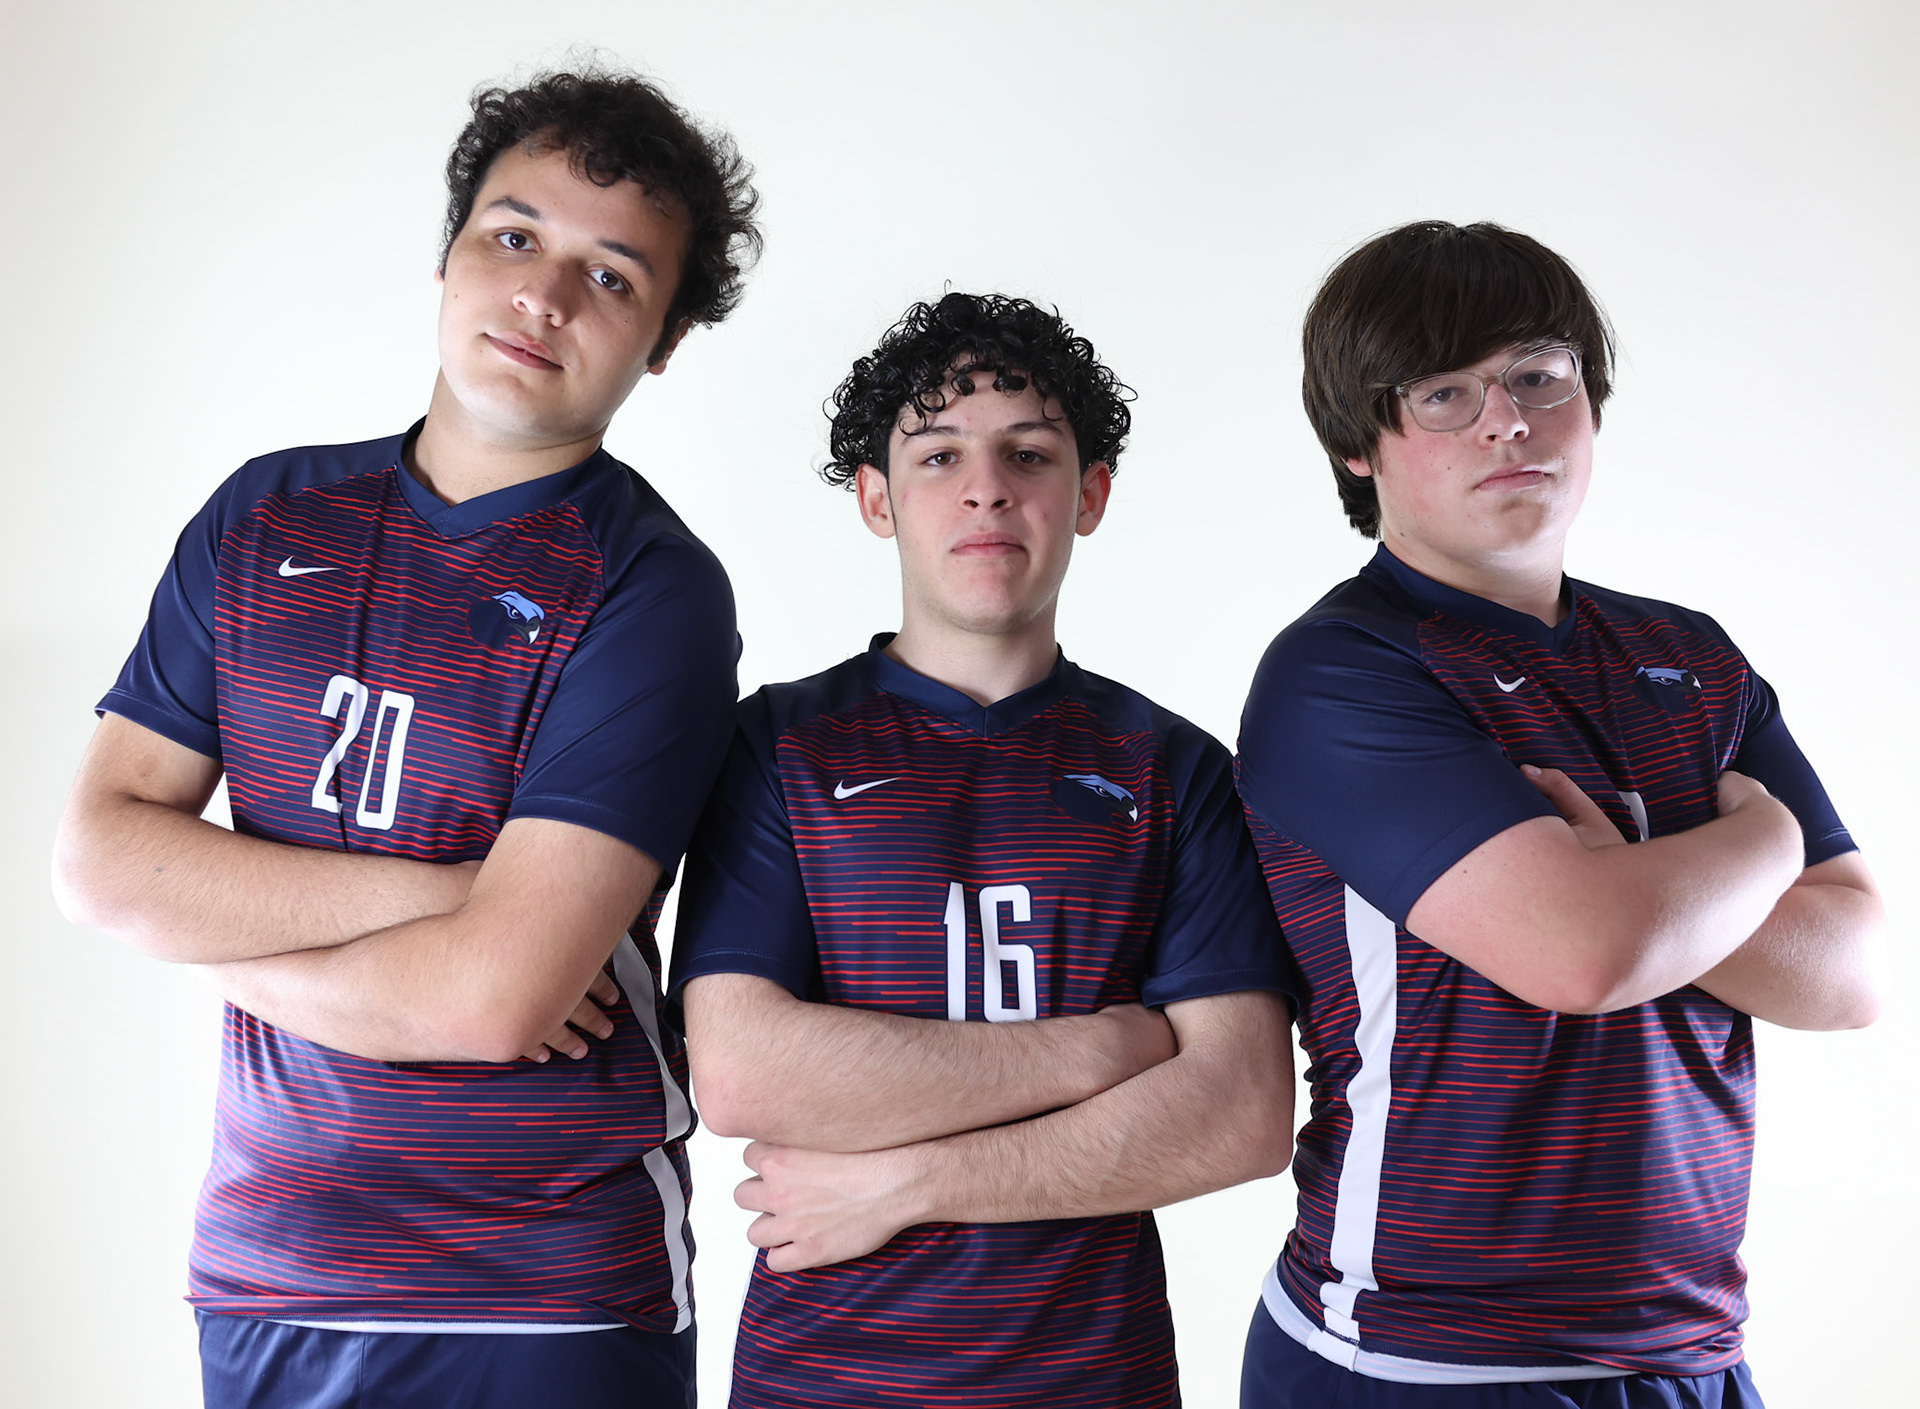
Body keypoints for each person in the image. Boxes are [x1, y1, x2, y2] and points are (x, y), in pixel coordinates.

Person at [51, 68, 760, 1409]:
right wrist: (456, 904)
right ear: (448, 253)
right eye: (514, 236)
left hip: (545, 1292)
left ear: (663, 340)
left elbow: (487, 1003)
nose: (543, 296)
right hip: (268, 1269)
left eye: (611, 276)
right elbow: (96, 862)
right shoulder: (263, 519)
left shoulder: (651, 590)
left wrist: (204, 928)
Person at [1235, 220, 1885, 1408]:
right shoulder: (1340, 675)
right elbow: (1582, 951)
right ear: (1357, 449)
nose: (1507, 418)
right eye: (1444, 392)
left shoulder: (1689, 657)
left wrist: (1636, 883)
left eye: (1540, 374)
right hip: (1425, 1356)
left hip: (1691, 1347)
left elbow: (1852, 971)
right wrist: (1762, 840)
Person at [670, 292, 1297, 1408]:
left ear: (1089, 493)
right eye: (938, 452)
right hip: (827, 1378)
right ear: (876, 499)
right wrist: (1105, 1049)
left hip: (1092, 1379)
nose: (987, 485)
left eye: (1030, 452)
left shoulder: (1174, 767)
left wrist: (906, 1181)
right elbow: (741, 1069)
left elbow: (1240, 1110)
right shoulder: (775, 746)